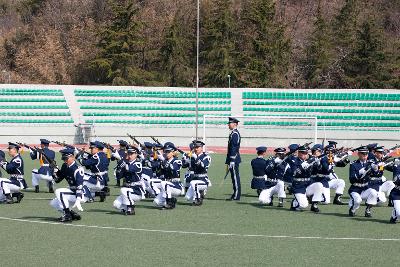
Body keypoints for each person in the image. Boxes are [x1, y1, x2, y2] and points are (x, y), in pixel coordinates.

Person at [50, 148, 90, 222]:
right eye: (64, 159)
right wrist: (54, 171)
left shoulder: (78, 169)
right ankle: (72, 214)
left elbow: (79, 185)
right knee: (53, 203)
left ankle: (67, 215)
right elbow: (58, 180)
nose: (65, 161)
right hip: (72, 192)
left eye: (66, 159)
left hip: (81, 194)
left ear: (72, 157)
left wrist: (78, 199)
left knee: (59, 192)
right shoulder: (65, 166)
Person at [286, 145, 323, 213]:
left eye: (306, 153)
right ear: (299, 153)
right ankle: (294, 203)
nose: (305, 155)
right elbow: (295, 173)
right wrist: (303, 166)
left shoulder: (309, 160)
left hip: (308, 184)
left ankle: (314, 205)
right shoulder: (294, 161)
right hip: (298, 186)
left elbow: (319, 169)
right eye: (303, 153)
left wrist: (318, 163)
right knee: (304, 206)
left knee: (319, 185)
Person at [113, 146, 145, 215]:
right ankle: (126, 208)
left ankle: (131, 208)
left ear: (136, 154)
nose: (129, 155)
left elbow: (129, 169)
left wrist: (120, 159)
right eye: (128, 154)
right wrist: (119, 167)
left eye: (131, 154)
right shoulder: (126, 164)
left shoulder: (138, 163)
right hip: (128, 191)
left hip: (137, 191)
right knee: (116, 204)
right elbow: (119, 177)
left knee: (123, 190)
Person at [348, 146, 378, 217]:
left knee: (374, 193)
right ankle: (352, 209)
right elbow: (351, 179)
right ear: (358, 154)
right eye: (363, 154)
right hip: (355, 189)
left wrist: (376, 169)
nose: (365, 156)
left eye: (366, 154)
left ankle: (368, 210)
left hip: (365, 188)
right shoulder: (353, 164)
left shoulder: (369, 163)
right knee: (358, 200)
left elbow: (375, 174)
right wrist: (360, 173)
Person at [153, 142, 183, 209]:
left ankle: (169, 203)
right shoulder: (163, 161)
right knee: (156, 202)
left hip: (176, 186)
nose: (166, 153)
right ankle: (172, 200)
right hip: (167, 186)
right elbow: (158, 174)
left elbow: (172, 168)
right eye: (165, 151)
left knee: (164, 183)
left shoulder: (177, 161)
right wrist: (156, 161)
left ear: (173, 152)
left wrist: (163, 160)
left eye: (168, 151)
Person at [185, 140, 211, 206]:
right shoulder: (192, 157)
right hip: (195, 179)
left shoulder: (206, 157)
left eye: (197, 147)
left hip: (203, 180)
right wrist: (186, 158)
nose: (196, 149)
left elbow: (203, 166)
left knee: (193, 183)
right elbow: (184, 165)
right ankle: (199, 193)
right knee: (187, 197)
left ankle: (198, 199)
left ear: (201, 148)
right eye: (195, 147)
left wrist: (196, 158)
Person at [226, 117, 241, 201]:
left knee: (235, 177)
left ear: (235, 124)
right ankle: (235, 193)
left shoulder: (235, 134)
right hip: (232, 159)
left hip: (234, 159)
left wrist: (232, 160)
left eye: (230, 123)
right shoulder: (233, 133)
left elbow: (234, 148)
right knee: (233, 177)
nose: (228, 125)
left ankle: (236, 195)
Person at [388, 158, 400, 223]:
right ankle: (394, 215)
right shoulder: (397, 165)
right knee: (399, 214)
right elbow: (395, 180)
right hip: (397, 193)